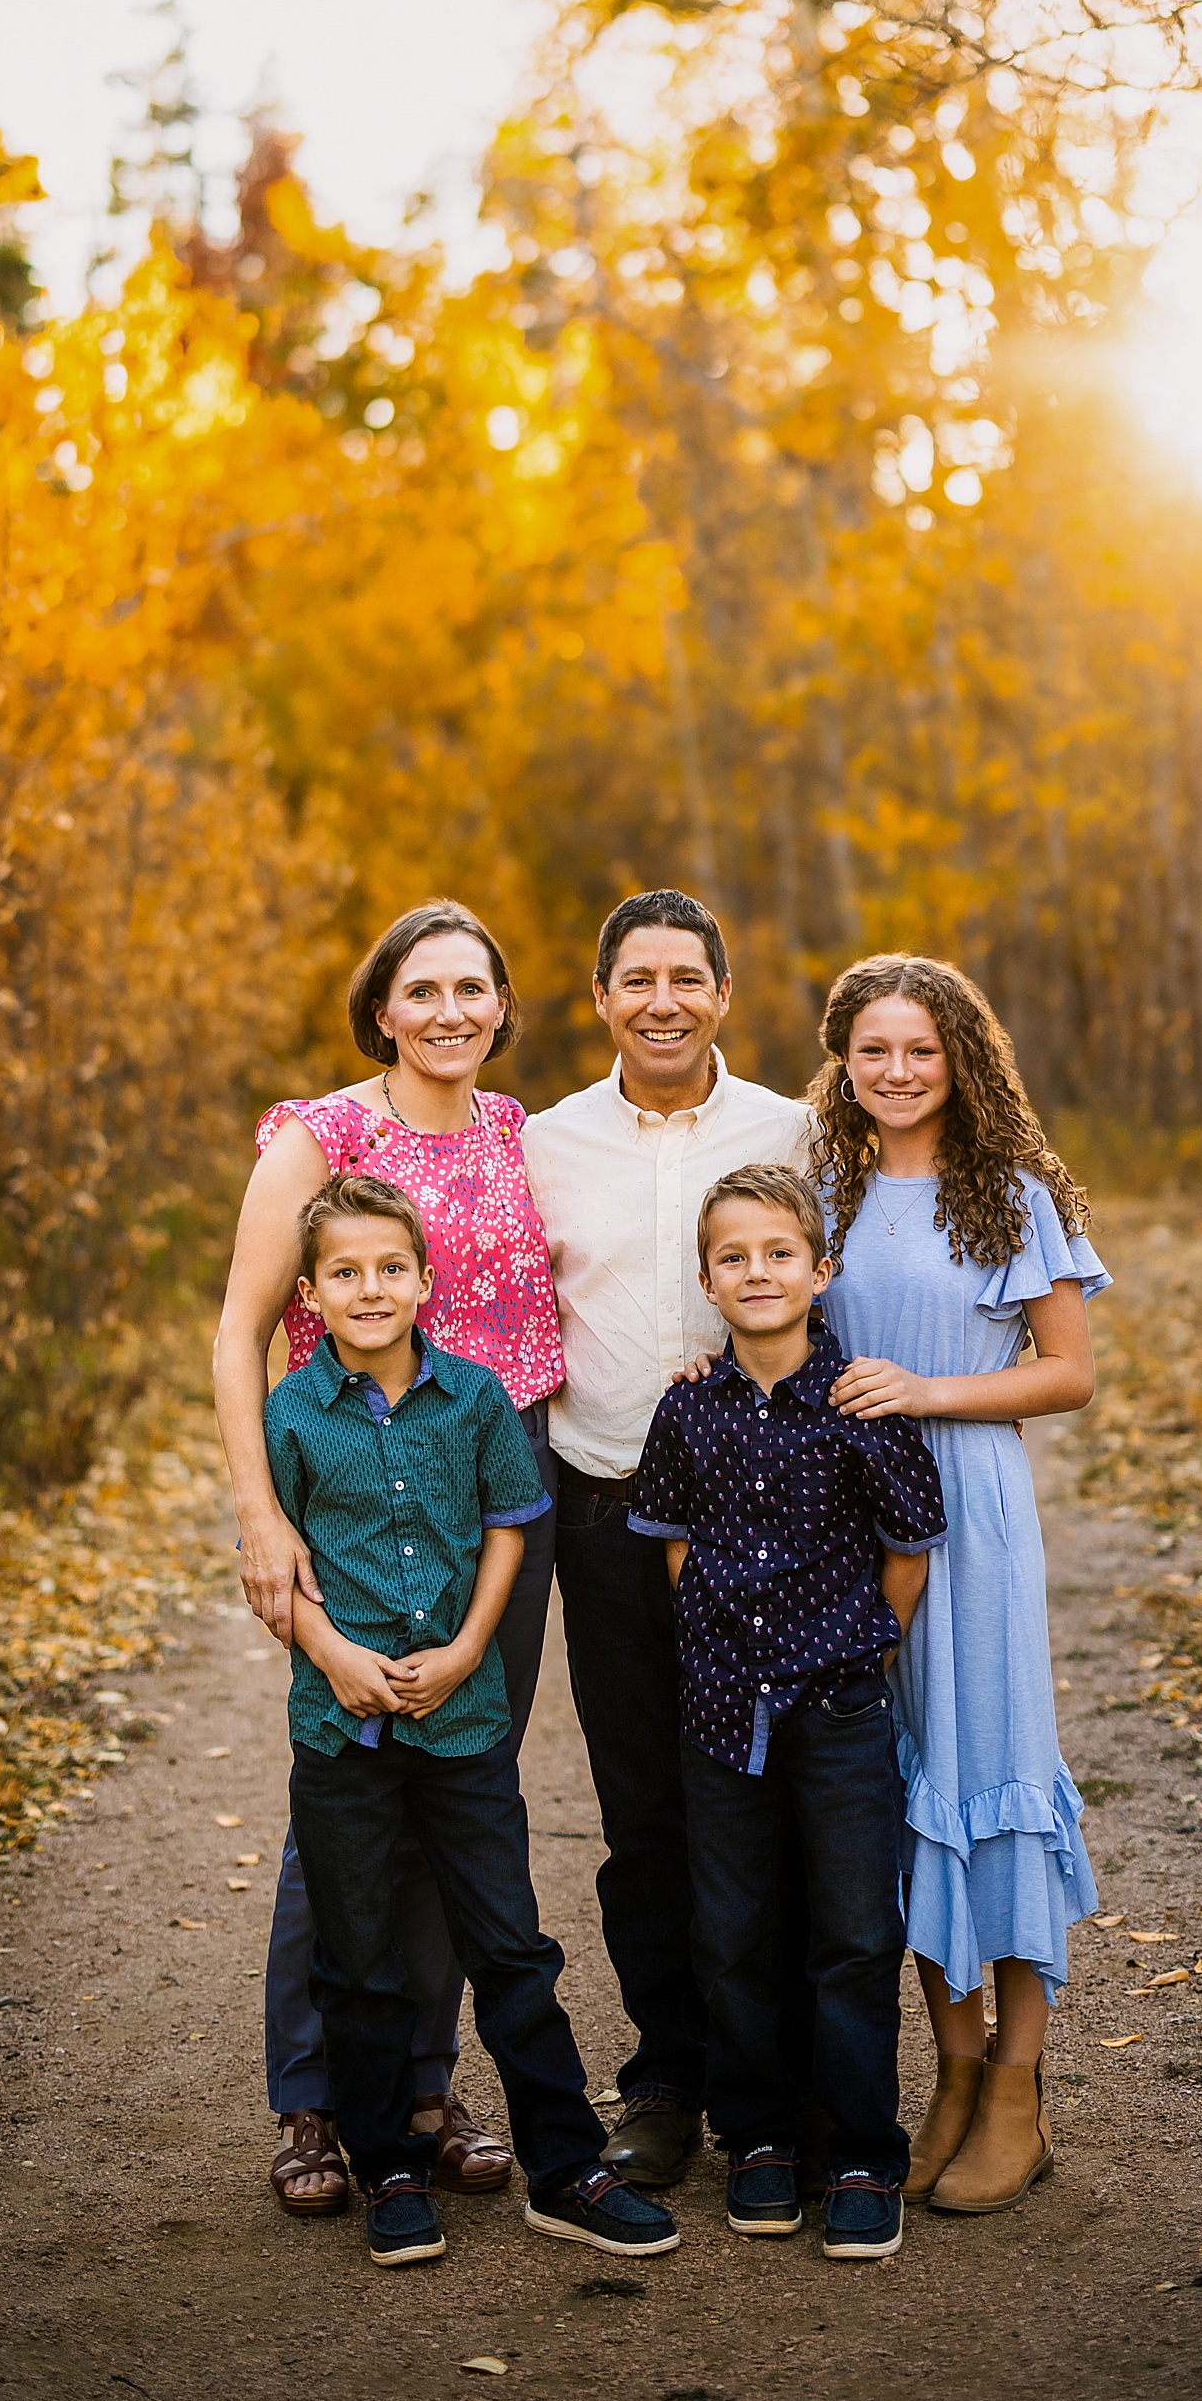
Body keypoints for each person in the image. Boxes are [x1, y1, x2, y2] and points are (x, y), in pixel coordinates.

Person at [214, 899, 563, 2215]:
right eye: (424, 991)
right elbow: (239, 1329)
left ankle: (420, 2087)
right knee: (350, 1785)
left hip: (497, 1480)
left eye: (474, 989)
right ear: (382, 1009)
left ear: (500, 1006)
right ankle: (313, 2104)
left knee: (457, 1774)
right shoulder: (323, 1135)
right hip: (352, 1482)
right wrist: (262, 1518)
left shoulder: (519, 1132)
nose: (451, 1012)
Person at [270, 1169, 679, 2268]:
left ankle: (564, 2163)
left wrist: (463, 1652)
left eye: (389, 1268)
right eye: (345, 1273)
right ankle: (387, 2165)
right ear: (309, 1293)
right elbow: (280, 1564)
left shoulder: (476, 1398)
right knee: (355, 1956)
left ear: (423, 1279)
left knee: (508, 1944)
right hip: (341, 1728)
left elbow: (511, 1522)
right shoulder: (291, 1415)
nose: (369, 1288)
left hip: (460, 1724)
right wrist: (334, 1655)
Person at [519, 890, 808, 2188]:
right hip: (607, 1512)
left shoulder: (793, 1131)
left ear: (724, 994)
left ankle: (775, 2084)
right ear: (600, 999)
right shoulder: (546, 1143)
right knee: (644, 1810)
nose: (663, 1001)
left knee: (763, 1798)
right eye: (636, 979)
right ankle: (666, 2081)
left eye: (687, 977)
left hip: (766, 1519)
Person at [812, 954, 1106, 2216]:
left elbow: (1067, 1372)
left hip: (971, 1507)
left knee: (987, 1773)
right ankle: (950, 2069)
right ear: (843, 1062)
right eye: (872, 1052)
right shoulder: (821, 1189)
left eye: (919, 1052)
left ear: (958, 1059)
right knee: (899, 1786)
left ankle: (1018, 2095)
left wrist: (928, 1392)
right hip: (849, 1512)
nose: (894, 1073)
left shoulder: (1012, 1191)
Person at [628, 1164, 947, 2263]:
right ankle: (755, 2137)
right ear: (708, 1280)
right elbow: (672, 1545)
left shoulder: (861, 1403)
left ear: (821, 1270)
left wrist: (856, 1646)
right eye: (732, 1257)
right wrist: (731, 1645)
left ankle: (860, 2152)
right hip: (721, 1715)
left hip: (839, 1709)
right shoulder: (685, 1409)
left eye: (777, 1254)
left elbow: (906, 1555)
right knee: (730, 1933)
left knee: (854, 1932)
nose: (755, 1272)